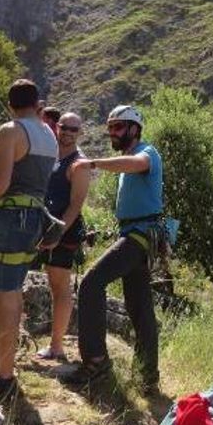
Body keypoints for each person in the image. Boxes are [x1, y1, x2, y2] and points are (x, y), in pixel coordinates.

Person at [0, 78, 59, 401]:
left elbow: (1, 185)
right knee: (13, 292)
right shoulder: (50, 134)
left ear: (10, 105)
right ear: (37, 104)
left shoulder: (9, 131)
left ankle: (4, 377)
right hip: (35, 222)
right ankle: (5, 359)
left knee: (5, 298)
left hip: (12, 219)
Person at [61, 104, 163, 391]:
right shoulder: (124, 162)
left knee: (91, 284)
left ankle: (96, 361)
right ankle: (147, 377)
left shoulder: (147, 153)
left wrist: (92, 163)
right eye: (110, 128)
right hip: (136, 235)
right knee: (139, 308)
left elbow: (137, 163)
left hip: (139, 237)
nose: (113, 133)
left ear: (134, 128)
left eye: (118, 127)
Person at [33, 110, 91, 361]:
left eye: (73, 129)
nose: (67, 132)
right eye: (64, 127)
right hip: (36, 224)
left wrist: (57, 233)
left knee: (59, 286)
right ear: (56, 127)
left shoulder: (79, 164)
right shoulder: (48, 153)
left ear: (80, 133)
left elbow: (76, 204)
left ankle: (56, 346)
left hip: (63, 231)